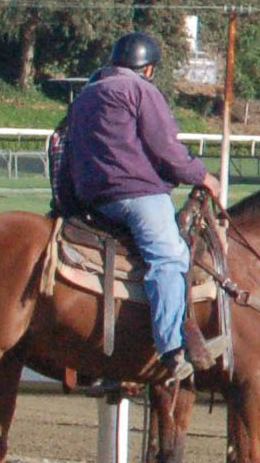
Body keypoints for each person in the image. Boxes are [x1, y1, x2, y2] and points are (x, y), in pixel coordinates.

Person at [52, 31, 224, 385]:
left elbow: (68, 155)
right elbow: (166, 152)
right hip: (136, 197)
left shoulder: (84, 97)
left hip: (90, 201)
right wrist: (203, 176)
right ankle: (171, 350)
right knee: (170, 256)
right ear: (147, 69)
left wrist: (67, 208)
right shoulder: (142, 92)